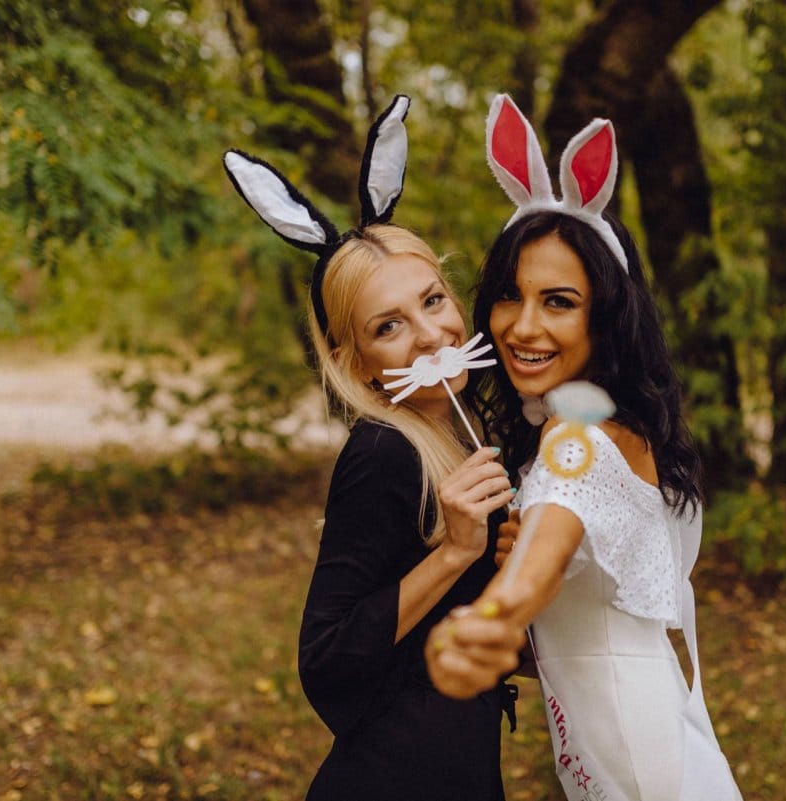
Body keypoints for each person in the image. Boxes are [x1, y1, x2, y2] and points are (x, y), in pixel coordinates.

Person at [424, 95, 742, 801]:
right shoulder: (603, 426)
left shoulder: (578, 440)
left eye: (558, 301)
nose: (521, 325)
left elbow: (551, 538)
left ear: (608, 314)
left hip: (640, 759)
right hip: (628, 742)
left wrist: (499, 609)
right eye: (509, 295)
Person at [224, 96, 517, 801]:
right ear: (358, 363)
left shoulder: (469, 429)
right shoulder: (384, 452)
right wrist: (454, 551)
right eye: (389, 326)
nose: (430, 334)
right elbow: (326, 659)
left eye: (434, 300)